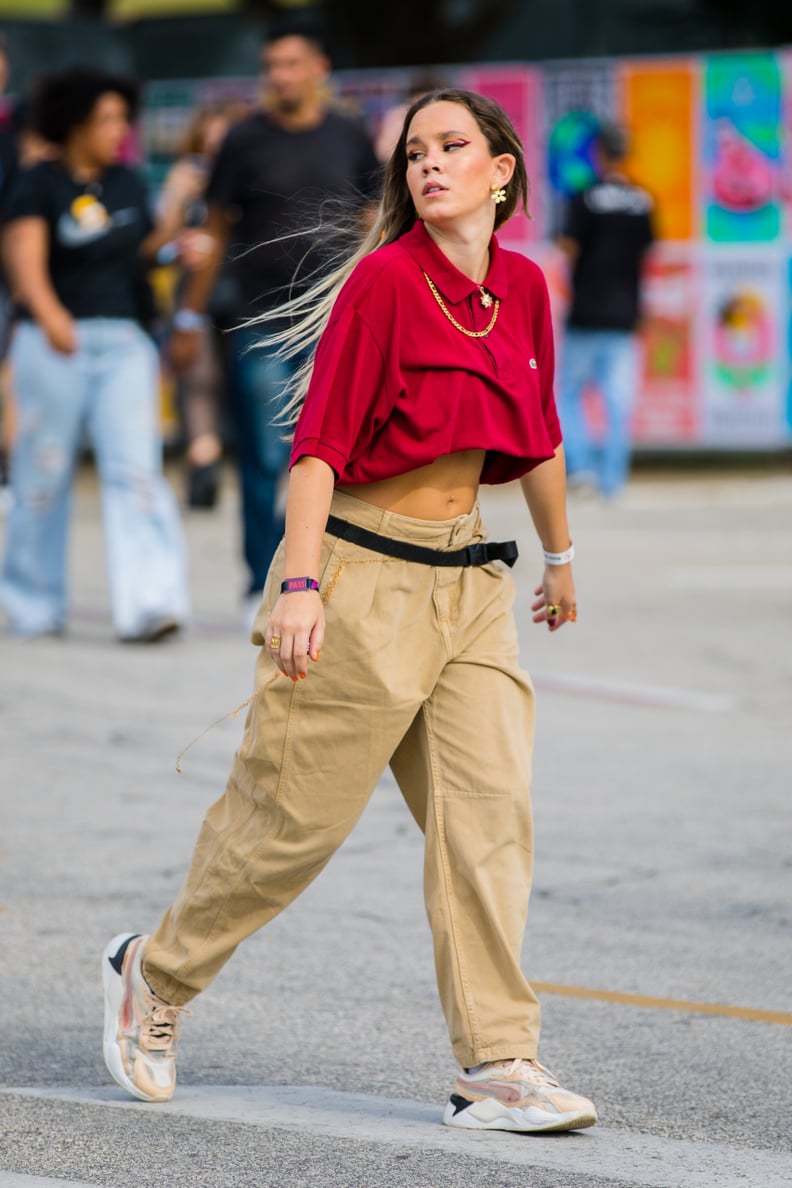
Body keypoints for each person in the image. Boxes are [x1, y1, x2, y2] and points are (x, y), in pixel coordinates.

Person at [102, 87, 597, 1135]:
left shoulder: (523, 286)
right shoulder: (384, 283)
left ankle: (498, 1064)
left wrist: (558, 558)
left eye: (452, 146)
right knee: (289, 828)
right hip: (361, 575)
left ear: (502, 169)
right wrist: (299, 583)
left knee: (487, 823)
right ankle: (158, 975)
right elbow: (319, 447)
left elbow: (541, 434)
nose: (428, 165)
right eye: (413, 153)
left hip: (471, 585)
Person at [169, 22, 380, 622]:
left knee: (340, 456)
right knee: (266, 456)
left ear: (320, 68)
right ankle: (260, 582)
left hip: (336, 322)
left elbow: (371, 222)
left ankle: (325, 579)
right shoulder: (242, 140)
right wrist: (187, 315)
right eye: (271, 66)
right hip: (260, 318)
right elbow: (213, 229)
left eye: (291, 64)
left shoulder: (349, 136)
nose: (280, 76)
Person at [0, 67, 191, 641]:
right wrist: (50, 315)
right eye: (105, 119)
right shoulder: (38, 183)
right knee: (43, 471)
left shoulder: (129, 182)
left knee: (137, 472)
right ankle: (34, 603)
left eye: (121, 119)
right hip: (56, 340)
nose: (118, 130)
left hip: (125, 341)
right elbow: (22, 259)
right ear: (75, 123)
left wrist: (179, 231)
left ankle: (149, 604)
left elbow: (147, 254)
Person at [158, 101, 249, 509]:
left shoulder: (250, 175)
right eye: (209, 140)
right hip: (195, 290)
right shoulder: (185, 178)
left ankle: (244, 461)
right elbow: (157, 245)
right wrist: (179, 227)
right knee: (198, 378)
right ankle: (203, 462)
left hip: (243, 290)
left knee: (247, 380)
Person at [557, 122, 654, 498]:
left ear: (599, 154)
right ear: (626, 153)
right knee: (618, 404)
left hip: (585, 313)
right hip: (625, 315)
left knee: (568, 395)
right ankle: (613, 481)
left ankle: (581, 469)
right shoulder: (642, 200)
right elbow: (647, 253)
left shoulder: (584, 197)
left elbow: (568, 248)